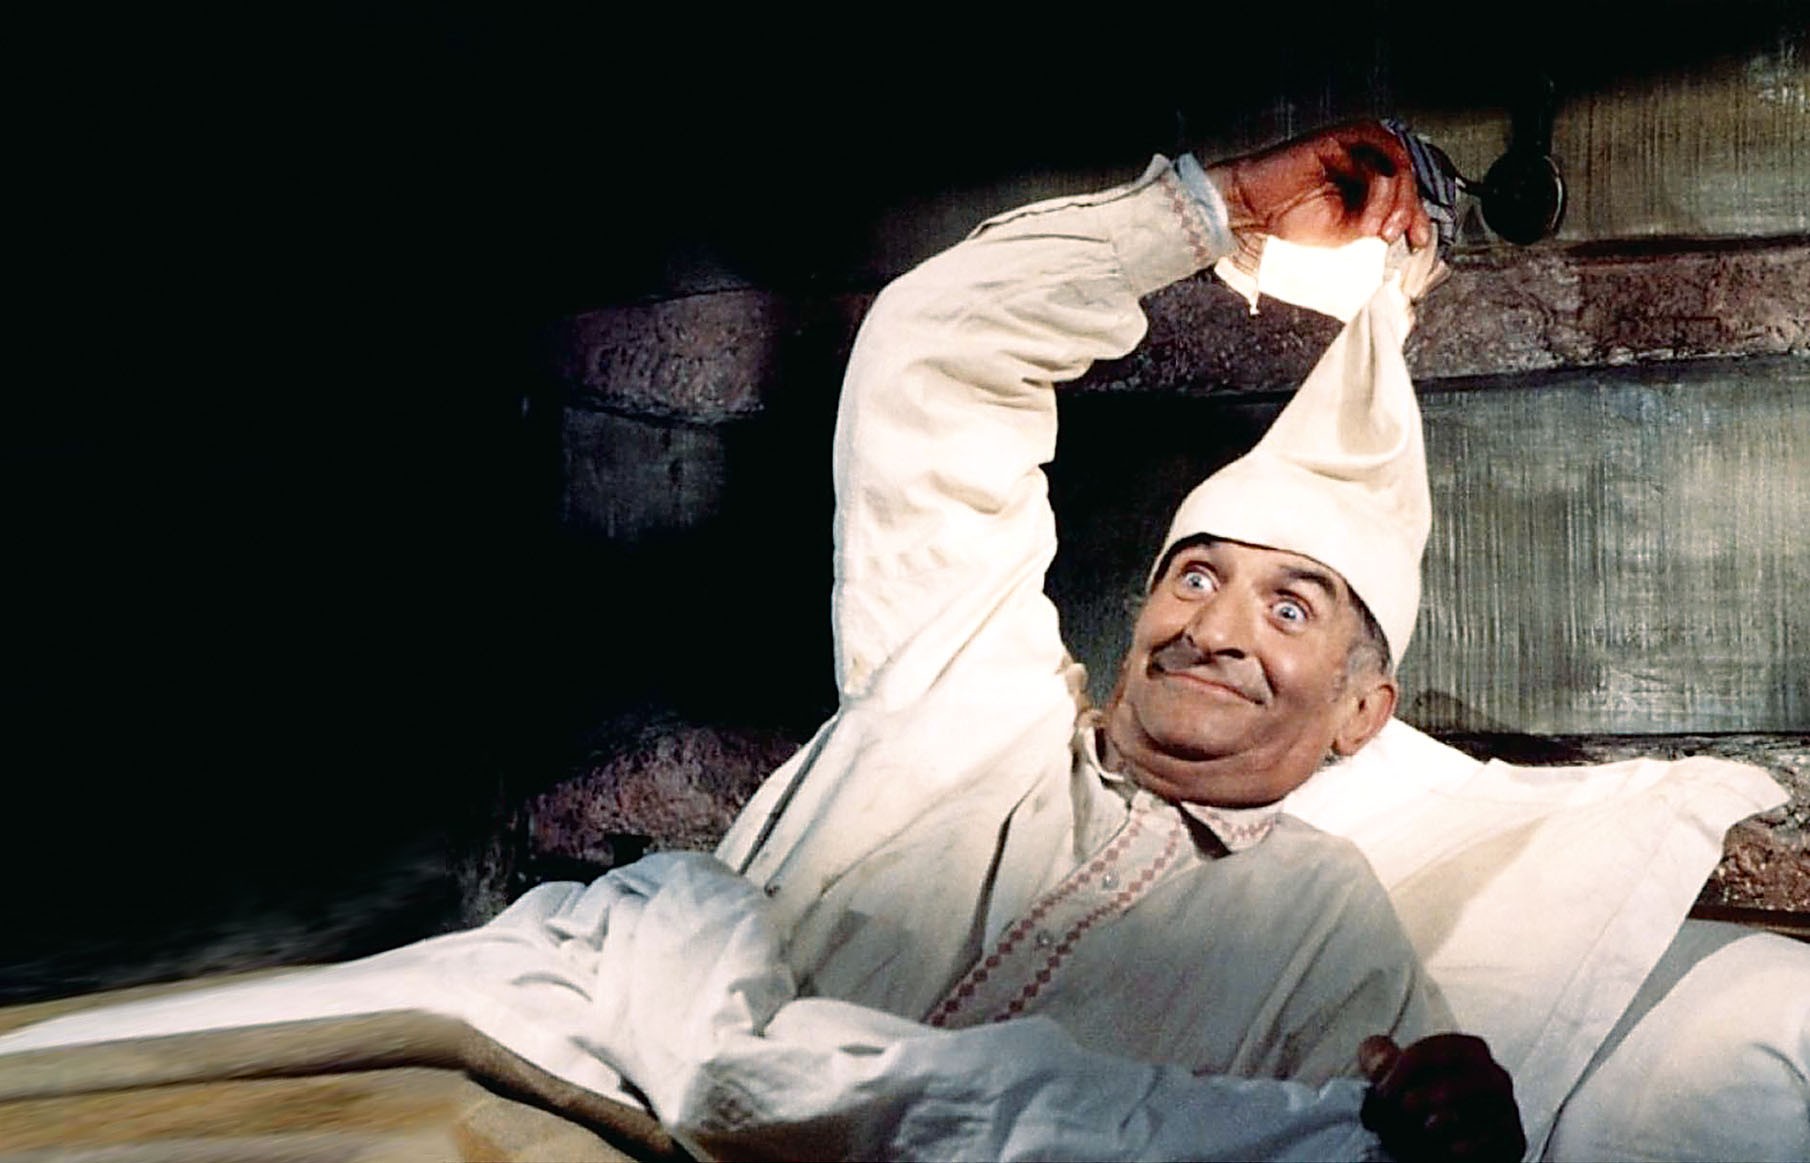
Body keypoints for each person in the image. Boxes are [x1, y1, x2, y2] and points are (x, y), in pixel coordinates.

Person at [712, 119, 1525, 1159]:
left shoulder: (1333, 931)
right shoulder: (974, 690)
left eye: (1290, 608)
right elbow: (935, 350)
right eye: (1196, 576)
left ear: (1361, 712)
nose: (1212, 630)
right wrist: (1226, 206)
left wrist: (1460, 1129)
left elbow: (1387, 1134)